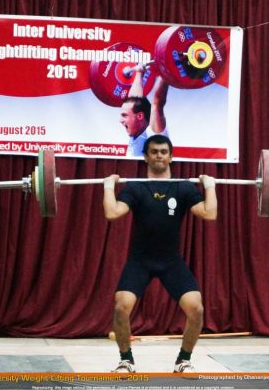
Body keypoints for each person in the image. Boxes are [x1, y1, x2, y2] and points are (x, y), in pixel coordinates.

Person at [103, 134, 217, 373]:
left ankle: (183, 360)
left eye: (163, 152)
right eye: (154, 152)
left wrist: (210, 186)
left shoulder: (183, 187)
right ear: (145, 157)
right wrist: (108, 186)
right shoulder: (136, 187)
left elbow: (209, 213)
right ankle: (126, 360)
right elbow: (112, 213)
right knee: (121, 306)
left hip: (170, 261)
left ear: (171, 157)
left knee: (196, 309)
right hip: (140, 260)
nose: (159, 156)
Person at [120, 67, 169, 157]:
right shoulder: (136, 134)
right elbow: (134, 99)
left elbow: (158, 102)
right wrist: (139, 73)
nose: (120, 121)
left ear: (140, 116)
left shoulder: (154, 134)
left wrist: (167, 71)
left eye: (124, 115)